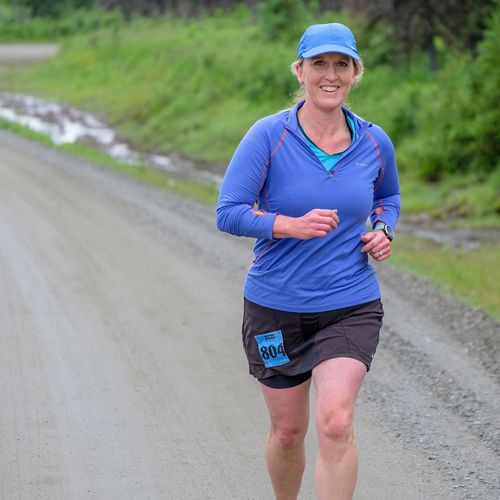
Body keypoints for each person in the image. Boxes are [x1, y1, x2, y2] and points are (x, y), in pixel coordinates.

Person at [216, 21, 400, 500]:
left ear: (356, 73)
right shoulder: (268, 136)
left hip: (350, 303)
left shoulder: (374, 141)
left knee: (336, 422)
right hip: (276, 307)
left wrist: (383, 231)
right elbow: (229, 212)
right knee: (288, 433)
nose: (330, 74)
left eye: (342, 64)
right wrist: (288, 225)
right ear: (300, 71)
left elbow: (388, 197)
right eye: (320, 63)